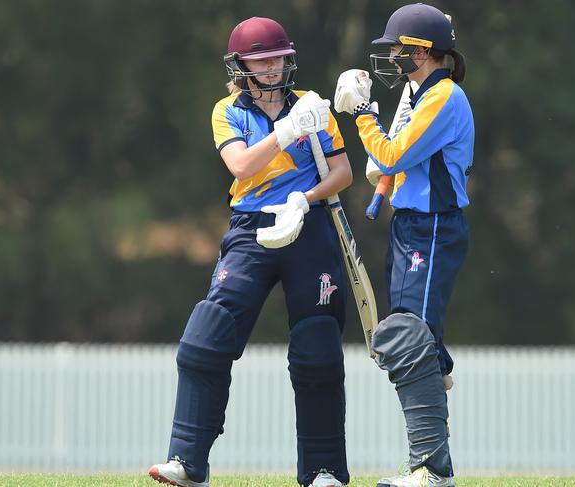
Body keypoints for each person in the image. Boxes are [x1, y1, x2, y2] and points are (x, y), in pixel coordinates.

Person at [148, 16, 352, 487]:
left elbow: (341, 172)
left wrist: (305, 198)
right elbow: (239, 164)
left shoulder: (313, 106)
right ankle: (187, 463)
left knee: (318, 348)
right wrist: (284, 134)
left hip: (308, 223)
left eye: (279, 57)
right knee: (206, 336)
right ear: (240, 65)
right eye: (262, 60)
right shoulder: (228, 110)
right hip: (251, 227)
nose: (273, 67)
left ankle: (324, 471)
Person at [334, 4, 474, 487]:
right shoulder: (419, 93)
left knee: (407, 338)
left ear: (425, 51)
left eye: (400, 49)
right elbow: (395, 160)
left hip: (434, 226)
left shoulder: (443, 96)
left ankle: (433, 470)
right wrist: (383, 160)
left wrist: (363, 115)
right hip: (412, 224)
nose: (393, 56)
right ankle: (436, 377)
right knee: (413, 338)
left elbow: (393, 152)